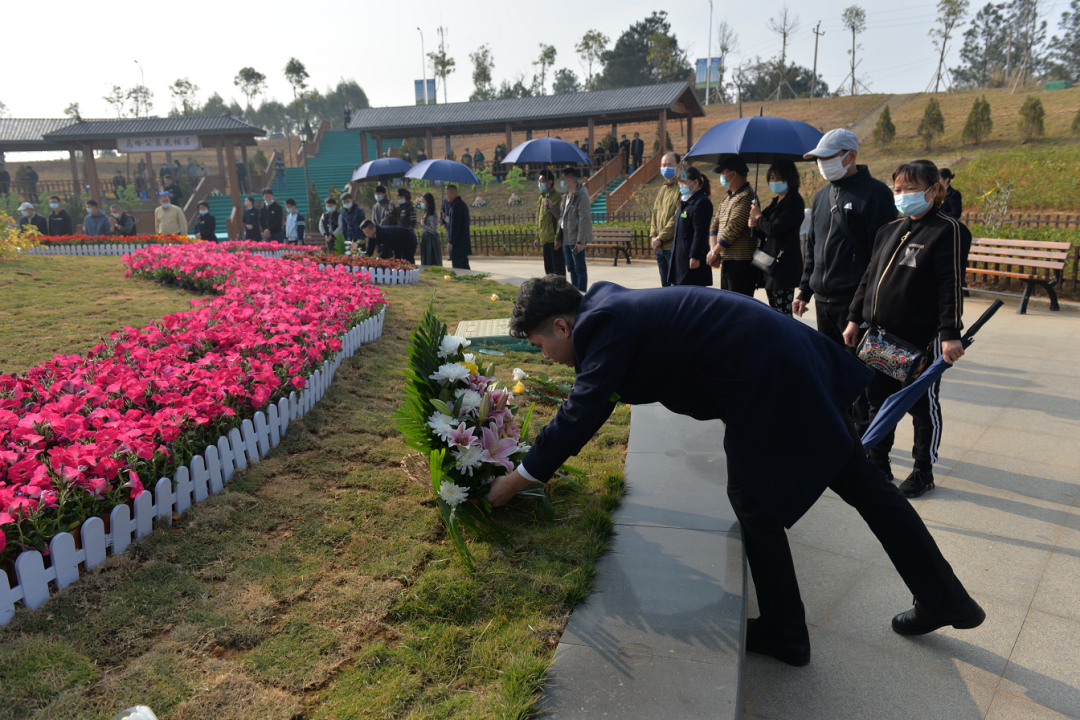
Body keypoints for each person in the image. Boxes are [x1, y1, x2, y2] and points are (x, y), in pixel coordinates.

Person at [488, 275, 987, 667]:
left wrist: (518, 478)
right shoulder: (606, 311)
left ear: (560, 325)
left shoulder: (603, 323)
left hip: (770, 380)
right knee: (864, 489)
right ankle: (944, 598)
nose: (545, 358)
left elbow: (583, 409)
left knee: (756, 497)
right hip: (778, 368)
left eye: (538, 345)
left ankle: (787, 632)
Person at [844, 160, 971, 498]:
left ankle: (922, 471)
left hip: (919, 340)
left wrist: (950, 333)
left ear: (934, 190)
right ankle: (878, 462)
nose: (902, 195)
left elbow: (950, 285)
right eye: (898, 189)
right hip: (879, 336)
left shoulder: (947, 230)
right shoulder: (890, 230)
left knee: (920, 406)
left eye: (911, 189)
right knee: (877, 402)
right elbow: (868, 278)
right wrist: (855, 318)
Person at [794, 129, 897, 353]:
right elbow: (812, 245)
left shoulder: (875, 194)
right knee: (829, 366)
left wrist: (863, 305)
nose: (822, 164)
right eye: (819, 159)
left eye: (828, 157)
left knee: (860, 370)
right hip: (823, 301)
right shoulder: (822, 195)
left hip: (855, 301)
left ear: (851, 156)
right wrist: (804, 291)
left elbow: (882, 255)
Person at [749, 160, 806, 317]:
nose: (774, 181)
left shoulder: (794, 201)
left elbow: (775, 229)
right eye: (772, 178)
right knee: (774, 310)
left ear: (790, 178)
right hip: (769, 263)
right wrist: (755, 224)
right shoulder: (776, 201)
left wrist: (759, 216)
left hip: (784, 266)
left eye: (779, 178)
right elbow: (765, 230)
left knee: (783, 312)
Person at [708, 156, 758, 296]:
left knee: (739, 307)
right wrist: (714, 250)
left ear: (733, 174)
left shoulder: (748, 197)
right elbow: (714, 225)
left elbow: (732, 230)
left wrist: (715, 252)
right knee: (728, 305)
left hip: (741, 264)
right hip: (727, 261)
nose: (722, 178)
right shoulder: (728, 196)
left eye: (723, 174)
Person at [667, 166, 714, 287]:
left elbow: (701, 233)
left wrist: (695, 255)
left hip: (690, 260)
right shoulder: (685, 202)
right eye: (679, 182)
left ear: (696, 182)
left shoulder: (701, 203)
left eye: (684, 182)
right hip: (680, 259)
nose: (681, 185)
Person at [649, 152, 681, 286]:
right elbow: (655, 214)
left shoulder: (681, 188)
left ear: (679, 166)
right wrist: (653, 236)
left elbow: (677, 217)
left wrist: (661, 238)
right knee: (665, 286)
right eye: (663, 165)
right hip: (660, 248)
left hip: (672, 247)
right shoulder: (663, 188)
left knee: (675, 287)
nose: (666, 168)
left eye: (670, 165)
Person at [558, 167, 592, 292]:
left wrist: (581, 241)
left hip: (576, 239)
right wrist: (550, 207)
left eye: (563, 179)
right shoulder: (566, 196)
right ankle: (575, 293)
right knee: (571, 269)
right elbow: (562, 217)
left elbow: (585, 219)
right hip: (566, 239)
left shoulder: (581, 195)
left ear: (570, 180)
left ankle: (582, 295)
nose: (561, 182)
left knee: (579, 269)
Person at [534, 169, 565, 277]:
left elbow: (559, 218)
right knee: (549, 272)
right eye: (539, 181)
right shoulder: (541, 198)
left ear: (550, 182)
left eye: (542, 181)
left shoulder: (557, 196)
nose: (540, 184)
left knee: (558, 272)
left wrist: (558, 238)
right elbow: (539, 219)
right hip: (544, 238)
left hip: (554, 239)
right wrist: (537, 236)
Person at [442, 184, 472, 269]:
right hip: (463, 242)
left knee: (458, 267)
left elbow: (455, 226)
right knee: (465, 266)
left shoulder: (456, 206)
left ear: (452, 193)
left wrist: (451, 242)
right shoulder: (460, 204)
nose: (446, 196)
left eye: (447, 193)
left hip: (458, 243)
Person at [419, 192, 442, 266]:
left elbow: (433, 230)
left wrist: (423, 224)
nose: (421, 203)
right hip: (426, 238)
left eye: (423, 201)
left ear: (428, 201)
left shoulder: (432, 213)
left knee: (431, 260)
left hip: (431, 240)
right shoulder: (427, 212)